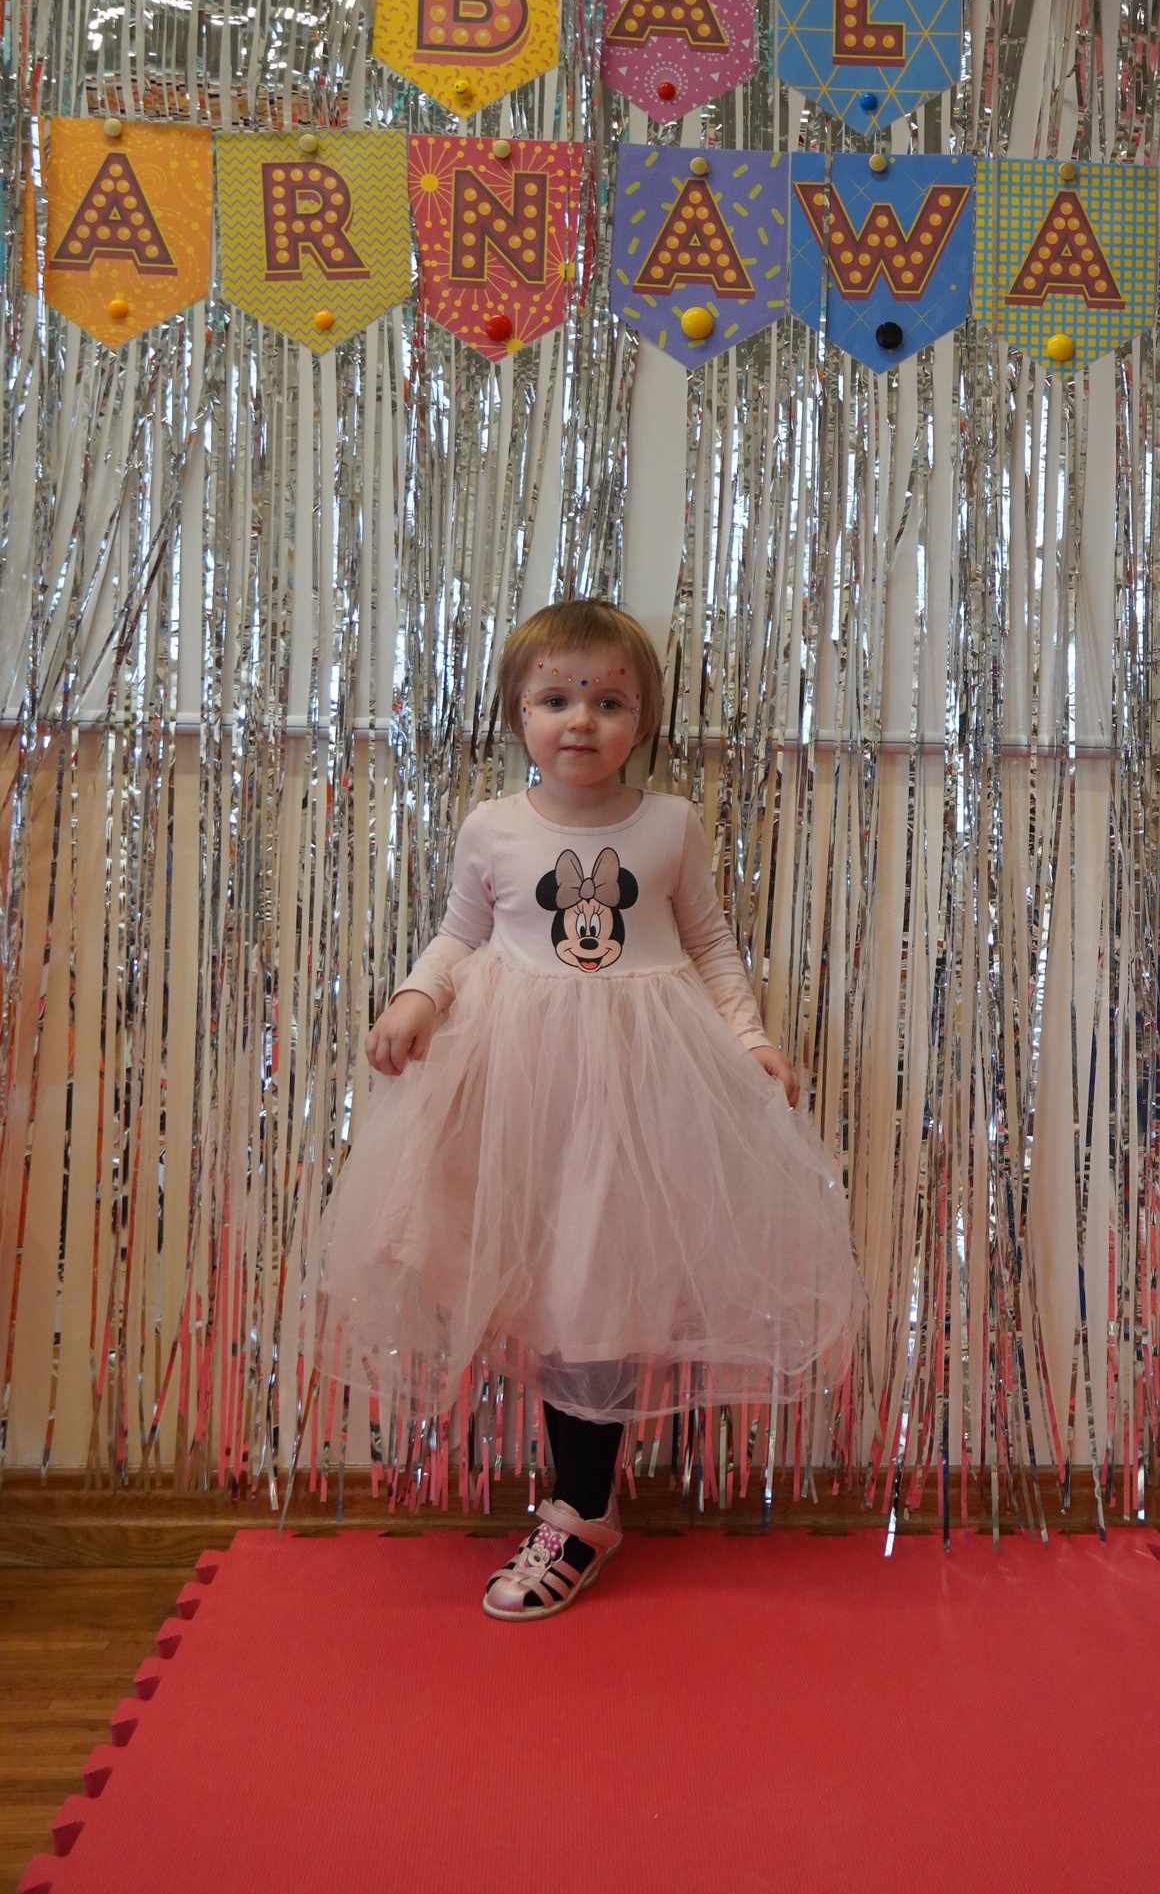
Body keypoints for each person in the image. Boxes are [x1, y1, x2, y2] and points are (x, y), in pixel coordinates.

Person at [317, 596, 865, 1621]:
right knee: (534, 1284)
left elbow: (708, 944)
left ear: (641, 720)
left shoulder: (668, 825)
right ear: (518, 715)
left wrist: (751, 1039)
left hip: (639, 1094)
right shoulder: (493, 827)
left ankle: (578, 1511)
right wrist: (417, 997)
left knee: (595, 1296)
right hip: (518, 1093)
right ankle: (583, 1506)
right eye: (556, 699)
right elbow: (462, 934)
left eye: (608, 702)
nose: (581, 720)